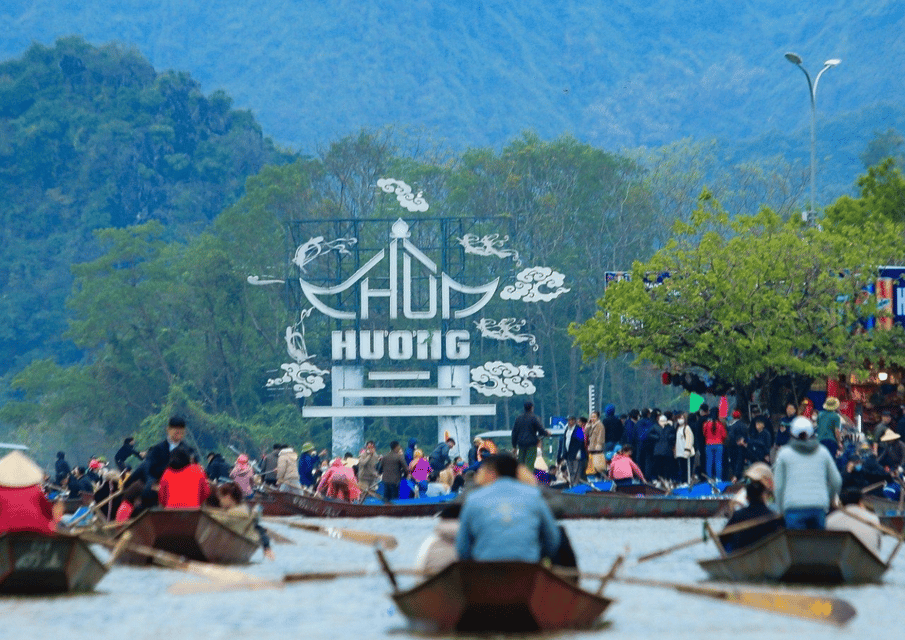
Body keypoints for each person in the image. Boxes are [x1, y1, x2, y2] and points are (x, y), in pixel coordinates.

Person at [455, 453, 560, 563]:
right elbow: (553, 541)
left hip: (485, 572)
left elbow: (462, 549)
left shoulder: (473, 498)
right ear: (517, 472)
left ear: (490, 473)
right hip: (528, 570)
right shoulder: (534, 495)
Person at [773, 416, 842, 530]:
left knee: (797, 546)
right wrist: (829, 501)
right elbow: (836, 481)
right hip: (818, 507)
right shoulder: (822, 452)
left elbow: (779, 487)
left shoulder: (783, 453)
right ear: (811, 433)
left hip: (793, 507)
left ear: (791, 433)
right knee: (817, 544)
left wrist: (780, 510)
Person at [720, 463, 784, 553]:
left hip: (741, 557)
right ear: (764, 494)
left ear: (747, 497)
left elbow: (722, 540)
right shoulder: (774, 517)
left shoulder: (738, 515)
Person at [0, 451, 63, 535]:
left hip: (6, 532)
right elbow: (48, 514)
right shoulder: (35, 490)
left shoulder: (1, 491)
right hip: (38, 531)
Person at [214, 483, 275, 560]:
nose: (219, 500)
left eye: (221, 497)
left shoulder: (238, 513)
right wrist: (267, 547)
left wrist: (267, 547)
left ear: (228, 497)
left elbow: (258, 529)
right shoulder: (240, 510)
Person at [826, 487, 882, 554]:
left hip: (834, 554)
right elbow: (879, 545)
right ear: (860, 502)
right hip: (866, 557)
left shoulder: (832, 517)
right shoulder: (873, 518)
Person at [511, 401, 549, 471]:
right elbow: (540, 430)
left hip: (521, 444)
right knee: (530, 464)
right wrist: (546, 433)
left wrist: (514, 446)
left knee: (521, 464)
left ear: (524, 408)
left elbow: (514, 433)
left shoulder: (518, 418)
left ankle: (520, 478)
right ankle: (528, 479)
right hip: (531, 444)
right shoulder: (534, 418)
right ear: (532, 408)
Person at [556, 415, 587, 487]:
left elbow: (581, 442)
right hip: (568, 454)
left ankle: (576, 485)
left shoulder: (578, 429)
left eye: (570, 420)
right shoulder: (567, 429)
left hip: (576, 454)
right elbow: (565, 441)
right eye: (568, 420)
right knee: (571, 471)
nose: (569, 422)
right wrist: (564, 454)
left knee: (576, 471)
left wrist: (579, 452)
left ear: (574, 421)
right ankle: (572, 484)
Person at [702, 408, 727, 481]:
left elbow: (704, 434)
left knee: (709, 462)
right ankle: (718, 478)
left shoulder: (706, 424)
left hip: (709, 444)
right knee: (718, 462)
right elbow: (724, 435)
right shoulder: (720, 424)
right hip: (719, 444)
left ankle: (709, 478)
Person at [651, 413, 675, 482]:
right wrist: (656, 437)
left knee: (666, 466)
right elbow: (649, 434)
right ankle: (660, 479)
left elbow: (673, 435)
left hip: (666, 450)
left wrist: (670, 438)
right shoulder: (655, 427)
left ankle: (666, 478)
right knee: (659, 466)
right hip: (658, 450)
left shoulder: (669, 427)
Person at [584, 410, 606, 478]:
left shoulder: (600, 425)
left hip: (596, 448)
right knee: (592, 465)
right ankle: (596, 477)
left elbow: (601, 435)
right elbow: (586, 433)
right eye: (591, 417)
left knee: (598, 465)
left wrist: (599, 445)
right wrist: (587, 425)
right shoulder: (591, 425)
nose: (592, 418)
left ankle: (601, 477)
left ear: (598, 417)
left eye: (594, 417)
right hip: (591, 447)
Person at [674, 413, 695, 484]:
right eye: (679, 418)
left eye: (682, 418)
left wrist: (687, 450)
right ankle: (683, 482)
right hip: (679, 453)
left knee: (687, 470)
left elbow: (690, 439)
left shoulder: (687, 428)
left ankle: (687, 482)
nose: (680, 420)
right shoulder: (678, 428)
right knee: (682, 469)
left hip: (686, 453)